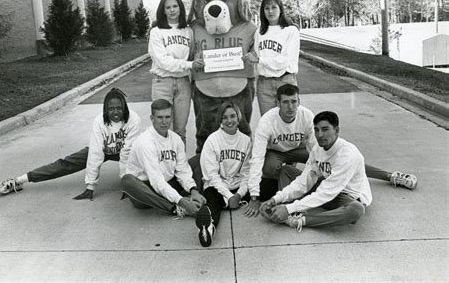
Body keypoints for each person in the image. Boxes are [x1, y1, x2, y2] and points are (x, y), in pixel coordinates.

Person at [243, 84, 418, 217]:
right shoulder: (267, 121)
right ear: (278, 103)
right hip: (278, 152)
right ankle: (291, 184)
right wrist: (255, 197)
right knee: (270, 168)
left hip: (300, 149)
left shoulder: (306, 116)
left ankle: (390, 176)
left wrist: (322, 173)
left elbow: (322, 151)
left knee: (340, 159)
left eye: (294, 101)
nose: (290, 107)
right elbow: (257, 157)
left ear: (299, 101)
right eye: (285, 102)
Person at [0, 88, 142, 200]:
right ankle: (19, 180)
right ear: (105, 109)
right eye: (111, 109)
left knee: (146, 159)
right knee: (65, 163)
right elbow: (96, 153)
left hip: (127, 150)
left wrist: (127, 185)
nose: (115, 112)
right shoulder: (99, 121)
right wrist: (90, 186)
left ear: (125, 107)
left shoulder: (133, 119)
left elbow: (126, 153)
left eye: (119, 108)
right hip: (104, 149)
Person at [260, 111, 372, 231]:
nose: (320, 134)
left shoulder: (347, 155)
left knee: (356, 209)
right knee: (287, 170)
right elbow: (304, 181)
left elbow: (328, 192)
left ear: (336, 130)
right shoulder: (318, 149)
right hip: (325, 188)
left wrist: (289, 209)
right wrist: (276, 199)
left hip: (346, 196)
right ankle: (283, 209)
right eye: (316, 130)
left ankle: (301, 220)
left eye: (325, 129)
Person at [120, 99, 206, 217]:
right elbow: (156, 181)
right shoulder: (145, 142)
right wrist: (181, 203)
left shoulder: (176, 139)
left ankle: (194, 198)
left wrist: (193, 190)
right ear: (152, 118)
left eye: (167, 117)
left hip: (169, 183)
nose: (164, 122)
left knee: (200, 159)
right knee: (127, 180)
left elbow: (182, 170)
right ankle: (175, 208)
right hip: (148, 190)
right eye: (160, 117)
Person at [190, 102, 252, 247]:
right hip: (216, 186)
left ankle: (228, 202)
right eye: (225, 117)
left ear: (239, 117)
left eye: (232, 116)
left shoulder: (246, 140)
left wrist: (239, 195)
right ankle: (208, 228)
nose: (229, 121)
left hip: (237, 187)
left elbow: (247, 172)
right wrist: (229, 196)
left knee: (266, 188)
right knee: (213, 204)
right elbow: (211, 175)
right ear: (220, 120)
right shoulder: (212, 140)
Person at [148, 0, 203, 144]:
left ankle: (180, 166)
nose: (172, 10)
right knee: (161, 129)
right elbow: (163, 61)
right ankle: (161, 167)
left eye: (175, 6)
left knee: (180, 131)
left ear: (180, 8)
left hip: (183, 83)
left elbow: (192, 55)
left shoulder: (188, 31)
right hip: (162, 83)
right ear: (163, 10)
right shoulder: (156, 31)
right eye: (168, 7)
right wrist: (189, 65)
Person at [243, 0, 300, 116]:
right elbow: (256, 57)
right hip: (265, 84)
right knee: (269, 122)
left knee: (288, 122)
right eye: (266, 8)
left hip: (286, 80)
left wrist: (259, 60)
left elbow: (283, 61)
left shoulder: (290, 31)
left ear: (280, 9)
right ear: (263, 11)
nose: (270, 11)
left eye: (274, 7)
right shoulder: (259, 32)